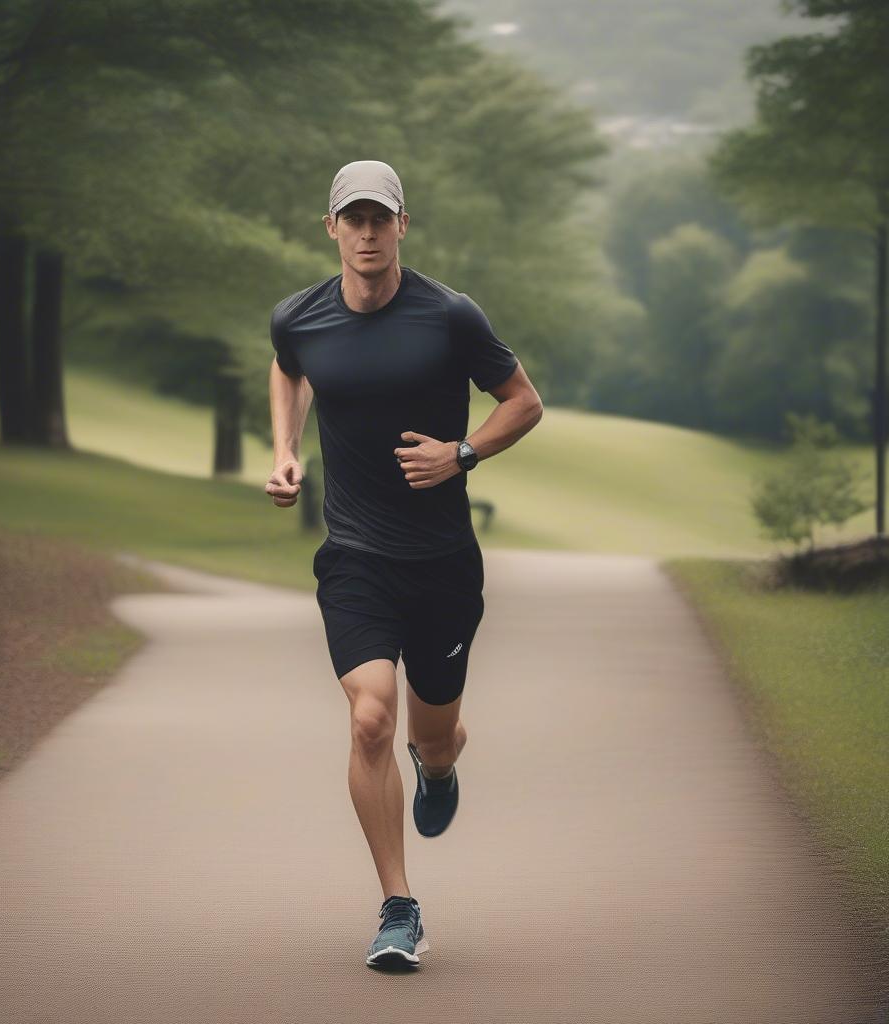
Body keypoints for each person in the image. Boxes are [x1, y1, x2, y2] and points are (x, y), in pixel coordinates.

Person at [265, 159, 543, 970]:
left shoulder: (449, 316)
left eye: (379, 218)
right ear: (331, 229)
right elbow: (289, 367)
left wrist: (461, 454)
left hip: (443, 565)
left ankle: (441, 765)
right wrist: (284, 451)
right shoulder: (299, 317)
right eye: (351, 219)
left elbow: (523, 402)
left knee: (434, 733)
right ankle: (399, 907)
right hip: (354, 557)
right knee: (370, 718)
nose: (366, 232)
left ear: (402, 226)